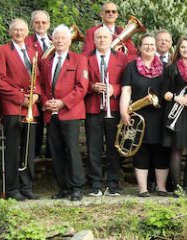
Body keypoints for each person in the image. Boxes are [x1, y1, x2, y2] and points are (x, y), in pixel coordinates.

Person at [0, 18, 41, 201]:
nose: (19, 33)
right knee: (12, 150)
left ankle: (26, 186)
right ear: (10, 32)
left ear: (27, 32)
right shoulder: (2, 51)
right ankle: (12, 189)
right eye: (16, 30)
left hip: (31, 108)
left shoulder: (33, 52)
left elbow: (39, 79)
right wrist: (21, 98)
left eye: (22, 30)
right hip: (13, 107)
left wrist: (36, 95)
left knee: (27, 150)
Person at [39, 25, 89, 201]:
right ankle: (64, 187)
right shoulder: (45, 61)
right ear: (52, 40)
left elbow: (82, 87)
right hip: (50, 113)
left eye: (63, 38)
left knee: (72, 149)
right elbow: (41, 85)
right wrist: (46, 102)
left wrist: (62, 103)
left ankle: (76, 187)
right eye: (57, 38)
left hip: (70, 112)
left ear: (70, 41)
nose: (59, 40)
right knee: (56, 150)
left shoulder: (79, 60)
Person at [120, 34, 170, 196]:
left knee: (161, 150)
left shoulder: (165, 67)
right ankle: (143, 188)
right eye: (146, 44)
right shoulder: (131, 67)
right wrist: (123, 112)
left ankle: (161, 187)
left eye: (152, 44)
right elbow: (126, 91)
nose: (149, 47)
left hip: (160, 114)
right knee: (140, 150)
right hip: (138, 115)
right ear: (139, 48)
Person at [84, 27, 128, 197]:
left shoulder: (122, 58)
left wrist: (114, 89)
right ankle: (95, 183)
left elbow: (126, 83)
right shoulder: (85, 58)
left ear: (111, 40)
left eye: (105, 37)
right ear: (94, 40)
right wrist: (91, 87)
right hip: (93, 108)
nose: (102, 40)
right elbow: (80, 82)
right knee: (93, 147)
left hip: (114, 108)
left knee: (113, 147)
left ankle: (112, 183)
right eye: (99, 37)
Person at [162, 36, 187, 196]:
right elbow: (164, 93)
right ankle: (177, 186)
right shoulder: (171, 68)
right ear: (178, 50)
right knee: (177, 149)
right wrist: (177, 97)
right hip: (177, 111)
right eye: (182, 47)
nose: (185, 50)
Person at [27, 10, 52, 159]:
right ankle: (33, 159)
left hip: (52, 94)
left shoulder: (56, 40)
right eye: (37, 22)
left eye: (43, 22)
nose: (41, 25)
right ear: (32, 24)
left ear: (48, 24)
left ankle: (50, 159)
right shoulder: (26, 42)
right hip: (35, 93)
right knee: (35, 129)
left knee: (53, 128)